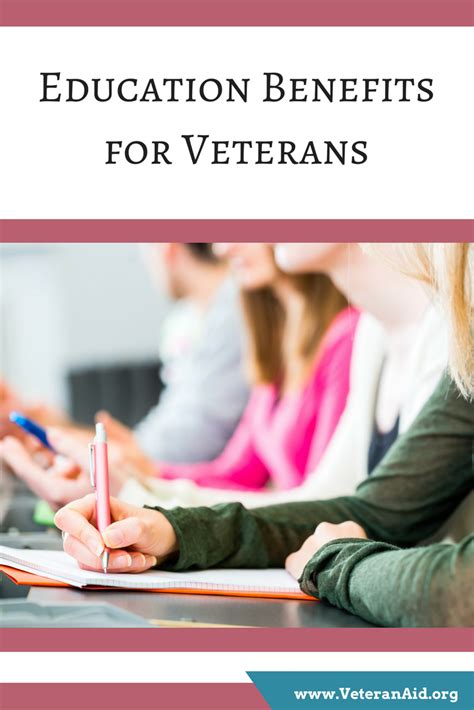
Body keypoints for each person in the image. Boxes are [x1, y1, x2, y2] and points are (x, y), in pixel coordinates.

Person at [51, 243, 473, 627]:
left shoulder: (423, 331)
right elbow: (374, 510)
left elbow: (455, 590)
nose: (222, 245)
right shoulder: (384, 335)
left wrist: (338, 563)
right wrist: (171, 530)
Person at [110, 242, 447, 511]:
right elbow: (240, 471)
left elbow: (328, 505)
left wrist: (143, 489)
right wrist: (143, 479)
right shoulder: (279, 351)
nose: (221, 250)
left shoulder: (352, 334)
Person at [1, 242, 249, 467]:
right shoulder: (189, 320)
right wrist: (57, 429)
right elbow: (163, 435)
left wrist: (62, 436)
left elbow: (186, 443)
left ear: (167, 247)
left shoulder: (235, 313)